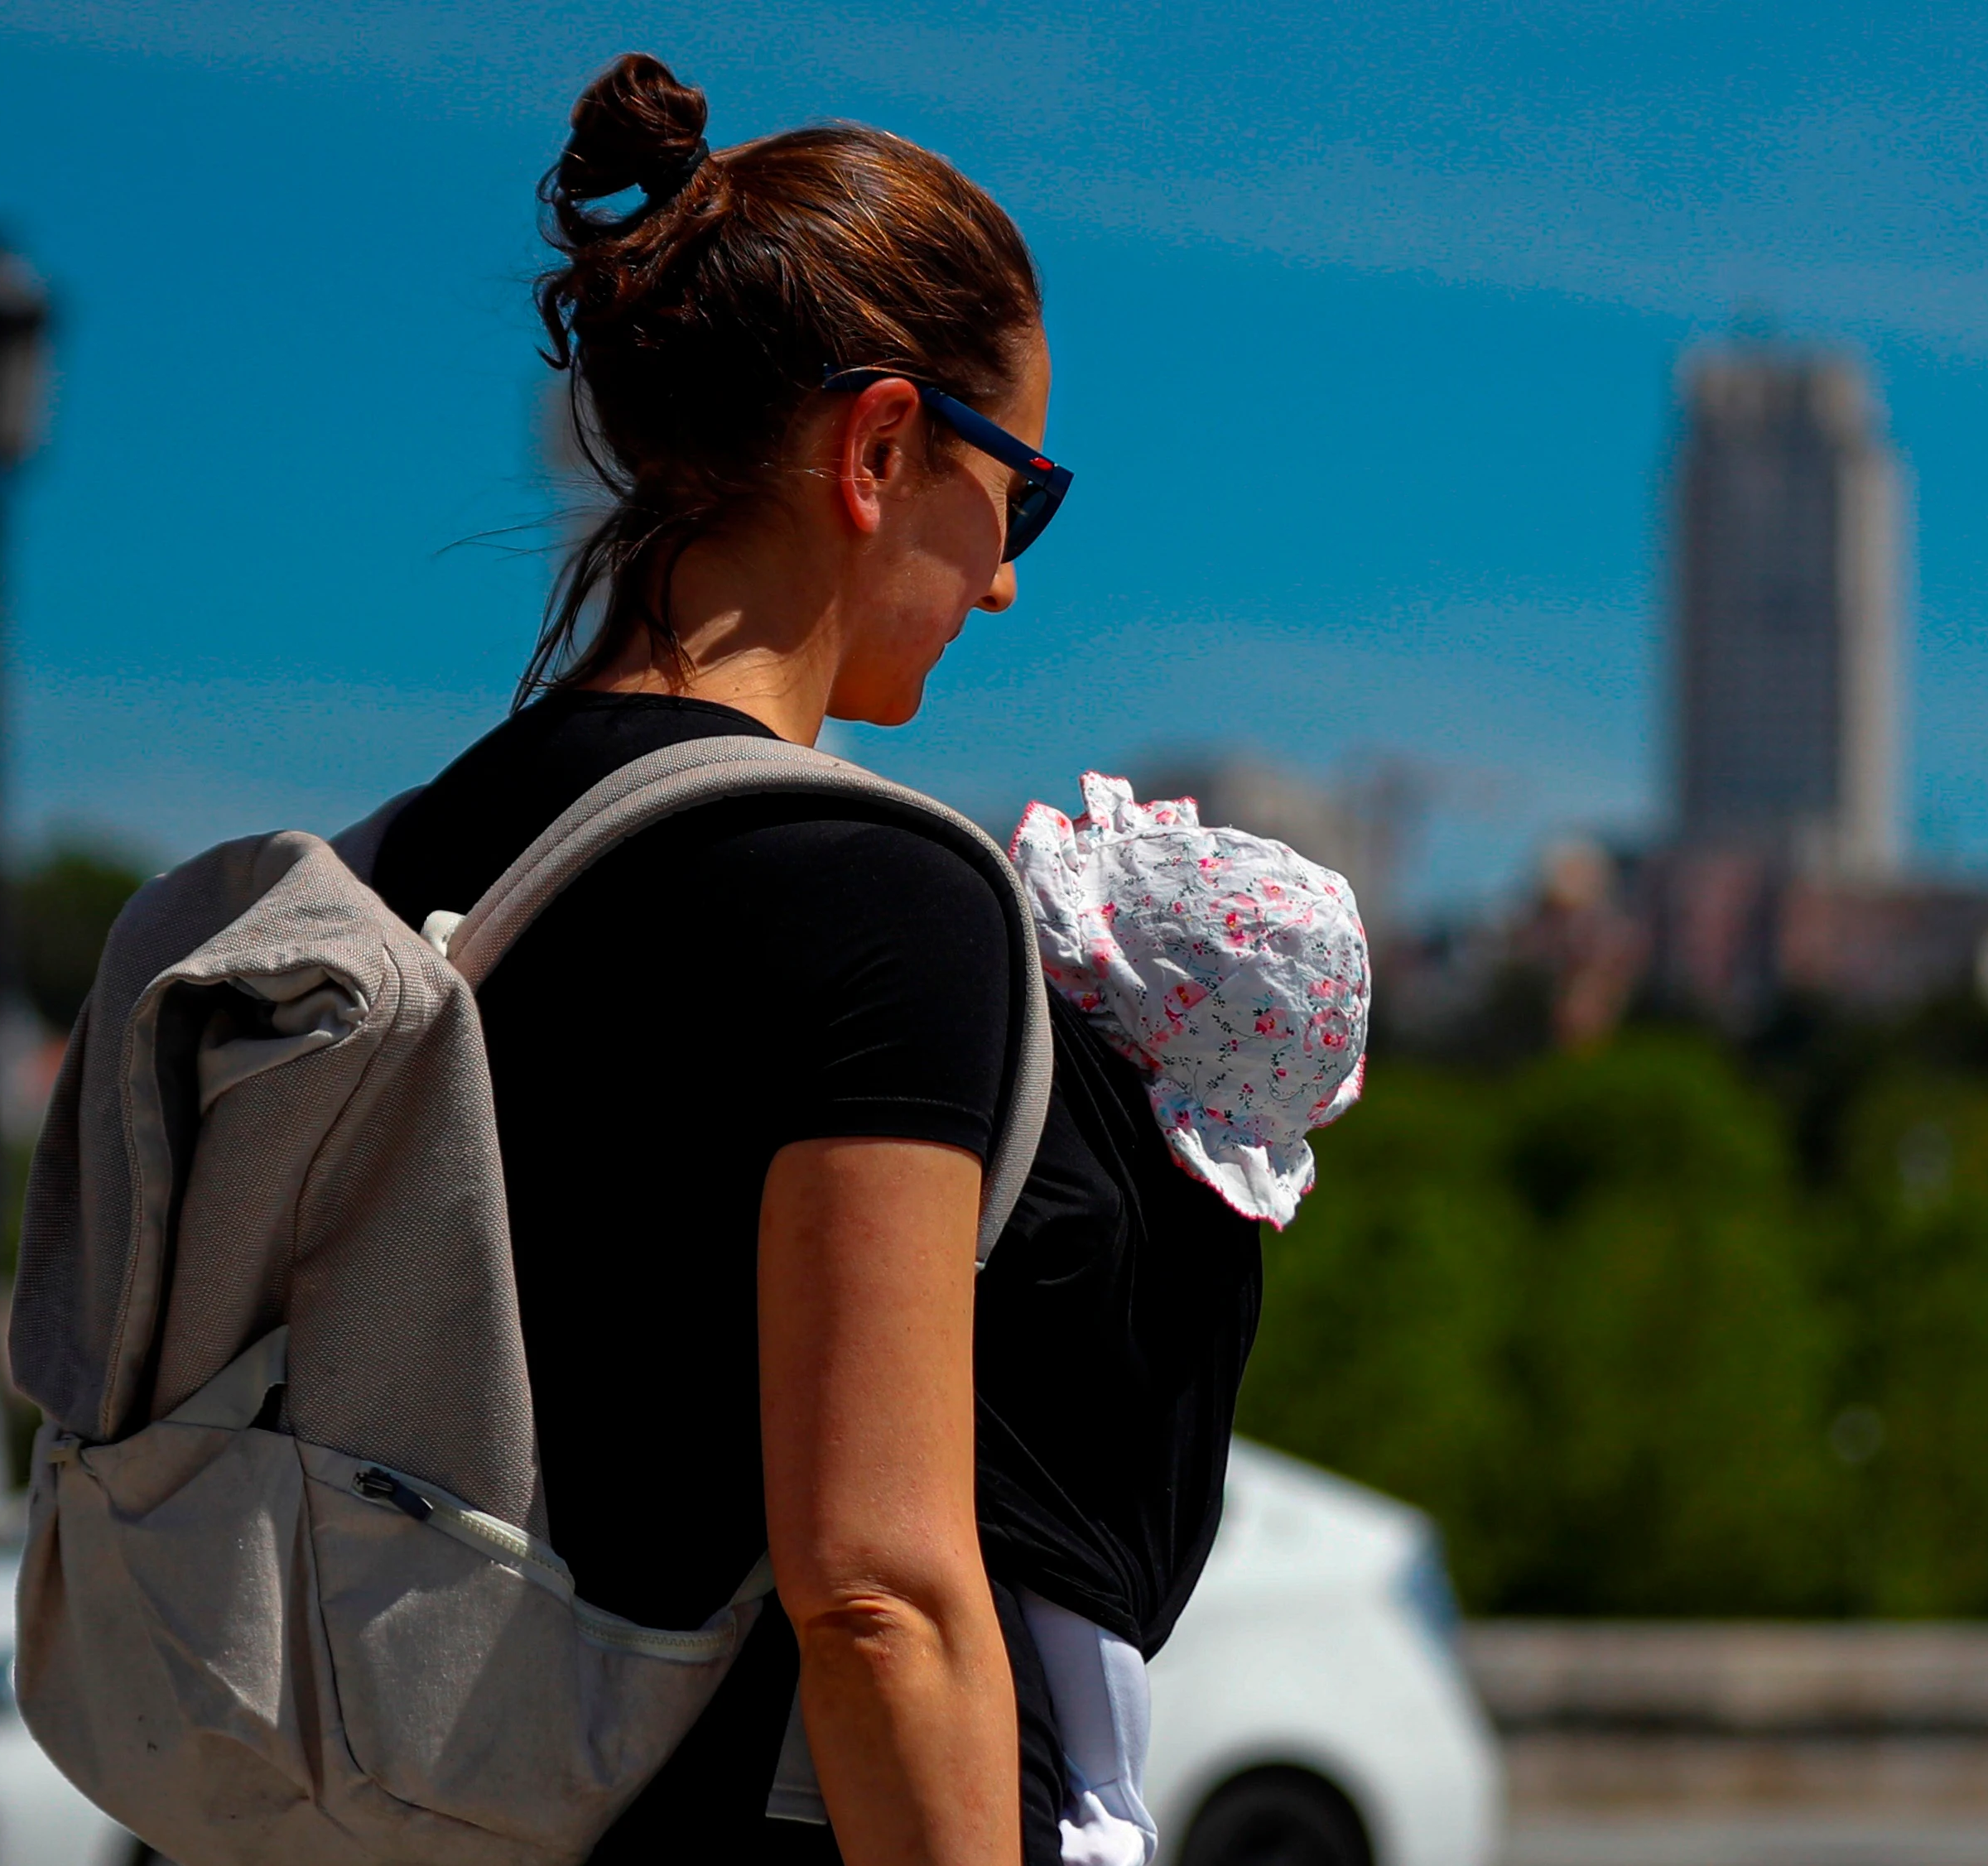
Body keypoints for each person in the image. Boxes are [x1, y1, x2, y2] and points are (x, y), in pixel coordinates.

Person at [364, 54, 1261, 1866]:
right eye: (1018, 489)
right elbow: (876, 1594)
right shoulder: (870, 897)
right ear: (875, 451)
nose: (1006, 577)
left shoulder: (406, 856)